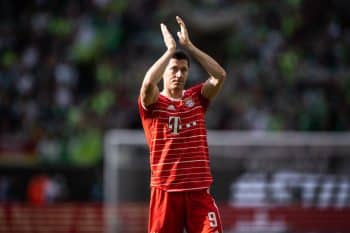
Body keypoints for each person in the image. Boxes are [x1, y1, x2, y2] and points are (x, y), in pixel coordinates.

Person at [138, 16, 227, 233]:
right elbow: (149, 83)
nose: (179, 74)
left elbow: (219, 76)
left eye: (183, 70)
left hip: (198, 192)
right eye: (173, 69)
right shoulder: (153, 103)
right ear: (164, 72)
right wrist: (169, 51)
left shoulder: (196, 97)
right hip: (166, 192)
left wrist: (189, 47)